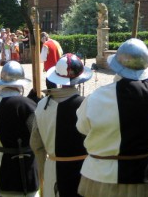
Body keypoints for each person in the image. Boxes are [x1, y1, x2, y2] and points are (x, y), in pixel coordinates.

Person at [75, 4, 148, 197]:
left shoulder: (96, 99)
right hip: (140, 180)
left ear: (116, 66)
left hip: (97, 180)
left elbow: (82, 128)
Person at [30, 53, 92, 197]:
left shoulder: (42, 105)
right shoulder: (87, 104)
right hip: (83, 171)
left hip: (53, 169)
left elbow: (35, 143)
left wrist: (43, 168)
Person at [0, 61, 39, 197]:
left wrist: (30, 102)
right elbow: (38, 133)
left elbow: (10, 115)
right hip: (19, 170)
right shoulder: (23, 105)